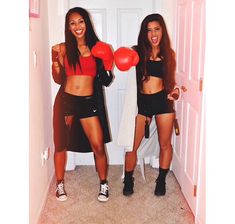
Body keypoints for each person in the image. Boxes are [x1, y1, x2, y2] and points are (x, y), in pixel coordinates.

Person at [51, 7, 114, 202]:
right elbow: (58, 79)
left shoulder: (99, 48)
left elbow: (105, 81)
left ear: (87, 23)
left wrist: (108, 61)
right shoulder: (61, 48)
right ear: (68, 27)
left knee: (98, 146)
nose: (77, 26)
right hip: (66, 101)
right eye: (72, 23)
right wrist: (56, 62)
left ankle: (103, 183)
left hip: (88, 103)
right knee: (61, 144)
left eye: (81, 22)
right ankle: (59, 183)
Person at [114, 13, 180, 196]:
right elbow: (120, 62)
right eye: (149, 30)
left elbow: (170, 81)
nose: (153, 33)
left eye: (156, 29)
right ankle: (128, 179)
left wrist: (175, 91)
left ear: (162, 31)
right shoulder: (137, 52)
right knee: (131, 146)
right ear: (145, 33)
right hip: (142, 103)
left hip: (162, 102)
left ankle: (161, 180)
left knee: (165, 144)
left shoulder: (169, 55)